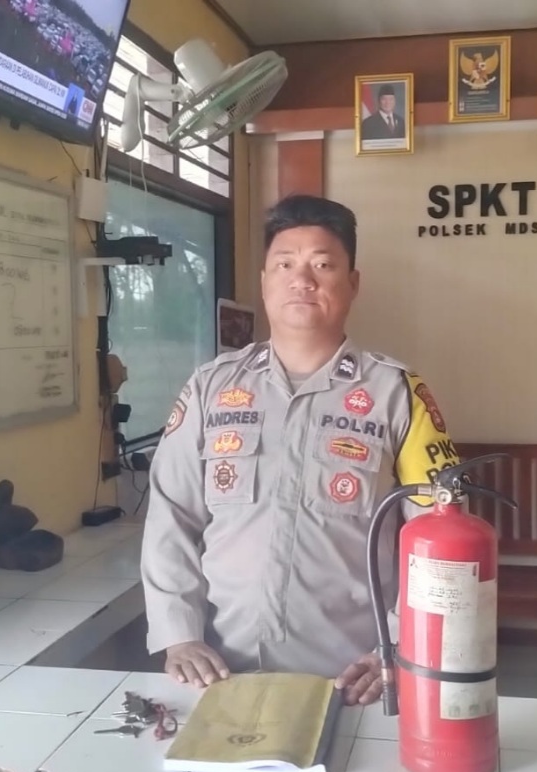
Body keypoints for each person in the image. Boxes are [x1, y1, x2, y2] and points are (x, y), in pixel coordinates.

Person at [140, 194, 462, 707]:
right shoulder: (210, 388)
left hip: (355, 676)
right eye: (285, 264)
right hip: (220, 669)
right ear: (265, 281)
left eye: (323, 265)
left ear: (353, 283)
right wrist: (178, 634)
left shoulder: (398, 393)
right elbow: (171, 515)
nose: (302, 279)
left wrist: (402, 646)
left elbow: (442, 533)